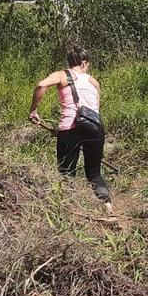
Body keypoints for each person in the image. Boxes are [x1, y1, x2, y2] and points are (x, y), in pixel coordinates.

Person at [29, 46, 111, 214]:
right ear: (84, 63)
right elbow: (93, 110)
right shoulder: (94, 82)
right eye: (88, 64)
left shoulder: (61, 75)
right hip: (95, 129)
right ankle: (109, 209)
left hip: (70, 129)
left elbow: (41, 85)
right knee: (94, 174)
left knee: (66, 173)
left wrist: (33, 110)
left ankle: (69, 212)